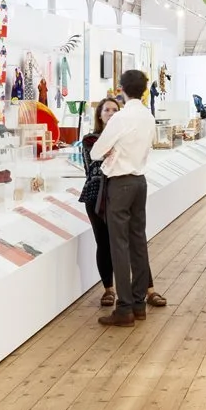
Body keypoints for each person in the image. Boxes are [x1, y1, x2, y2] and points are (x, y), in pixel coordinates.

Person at [93, 69, 166, 325]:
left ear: (121, 88)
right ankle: (138, 304)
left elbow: (96, 151)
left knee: (119, 245)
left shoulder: (120, 118)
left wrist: (111, 149)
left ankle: (124, 308)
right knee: (138, 242)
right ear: (145, 90)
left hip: (120, 183)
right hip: (139, 181)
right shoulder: (148, 115)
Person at [77, 100, 120, 306]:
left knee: (119, 242)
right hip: (95, 193)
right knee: (103, 242)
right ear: (100, 114)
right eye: (107, 110)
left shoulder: (123, 137)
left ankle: (128, 288)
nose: (110, 113)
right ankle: (108, 289)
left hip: (119, 193)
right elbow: (96, 163)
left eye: (115, 110)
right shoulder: (89, 139)